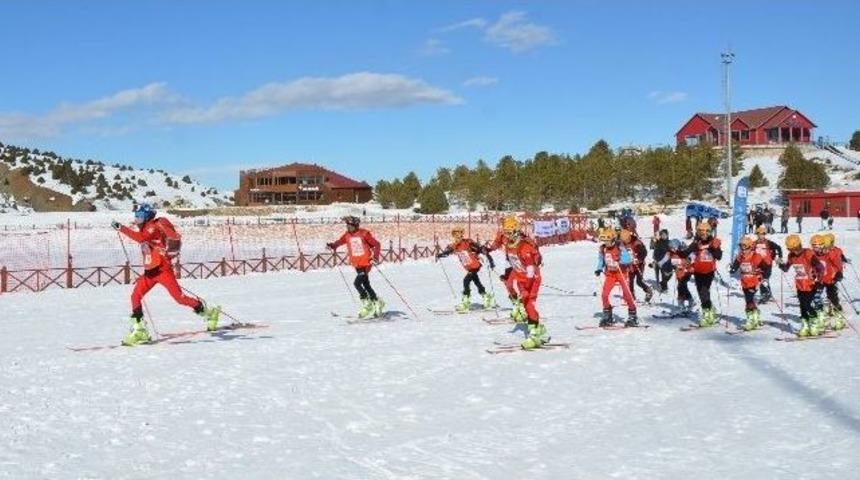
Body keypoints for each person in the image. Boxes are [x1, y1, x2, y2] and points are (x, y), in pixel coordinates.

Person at [113, 203, 220, 346]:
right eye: (136, 216)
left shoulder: (152, 227)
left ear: (147, 217)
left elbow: (140, 238)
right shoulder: (145, 228)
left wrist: (121, 228)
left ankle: (209, 313)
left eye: (139, 217)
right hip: (150, 273)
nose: (136, 220)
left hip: (163, 271)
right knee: (135, 296)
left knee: (180, 298)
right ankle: (139, 330)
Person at [490, 218, 546, 349]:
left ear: (516, 231)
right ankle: (539, 328)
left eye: (510, 232)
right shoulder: (510, 245)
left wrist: (527, 287)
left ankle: (534, 335)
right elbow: (512, 263)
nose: (507, 235)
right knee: (526, 306)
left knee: (529, 305)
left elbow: (531, 269)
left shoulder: (524, 246)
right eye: (506, 232)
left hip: (532, 279)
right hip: (521, 278)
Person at [327, 216, 384, 319]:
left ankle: (367, 305)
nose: (348, 227)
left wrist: (375, 257)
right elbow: (339, 242)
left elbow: (377, 244)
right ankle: (376, 302)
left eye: (350, 226)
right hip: (357, 264)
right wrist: (332, 245)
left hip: (366, 263)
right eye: (347, 225)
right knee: (366, 284)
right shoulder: (347, 235)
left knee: (357, 283)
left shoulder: (364, 233)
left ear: (356, 225)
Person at [436, 227, 496, 312]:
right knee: (476, 282)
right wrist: (441, 255)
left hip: (475, 265)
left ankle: (465, 302)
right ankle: (486, 296)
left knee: (466, 281)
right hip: (468, 267)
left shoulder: (467, 242)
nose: (458, 237)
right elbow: (448, 252)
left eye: (460, 235)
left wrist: (490, 260)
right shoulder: (453, 245)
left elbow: (480, 249)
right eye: (456, 235)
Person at [779, 235, 826, 337]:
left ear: (798, 246)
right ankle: (805, 325)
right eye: (790, 249)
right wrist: (781, 265)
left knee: (807, 305)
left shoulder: (808, 253)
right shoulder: (791, 256)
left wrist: (819, 281)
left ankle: (814, 323)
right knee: (802, 306)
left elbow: (821, 267)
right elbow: (786, 268)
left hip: (811, 284)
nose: (793, 251)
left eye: (794, 249)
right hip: (800, 284)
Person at [595, 228, 638, 327]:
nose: (606, 243)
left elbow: (627, 259)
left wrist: (619, 261)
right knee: (604, 295)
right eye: (604, 241)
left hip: (621, 273)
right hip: (610, 274)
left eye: (608, 241)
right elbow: (601, 260)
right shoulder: (603, 249)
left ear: (613, 239)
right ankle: (607, 314)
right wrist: (599, 269)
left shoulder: (620, 247)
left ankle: (632, 314)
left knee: (627, 294)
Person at [685, 222, 722, 327]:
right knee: (702, 293)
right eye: (701, 232)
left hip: (709, 271)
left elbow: (719, 256)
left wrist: (713, 249)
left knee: (704, 292)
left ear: (709, 232)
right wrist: (687, 259)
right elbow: (689, 252)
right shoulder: (696, 242)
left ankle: (708, 315)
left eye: (706, 232)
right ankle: (710, 309)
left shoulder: (713, 241)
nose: (704, 234)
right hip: (698, 271)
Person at [729, 236, 765, 331]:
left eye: (745, 247)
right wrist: (732, 269)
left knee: (749, 299)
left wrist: (761, 274)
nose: (743, 249)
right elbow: (735, 265)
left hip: (754, 281)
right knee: (749, 300)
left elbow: (764, 267)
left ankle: (750, 320)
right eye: (741, 247)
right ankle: (755, 313)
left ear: (750, 247)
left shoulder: (755, 256)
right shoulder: (740, 256)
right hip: (744, 281)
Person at [815, 234, 847, 331]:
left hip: (831, 279)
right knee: (816, 298)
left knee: (833, 298)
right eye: (824, 247)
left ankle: (839, 318)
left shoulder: (834, 252)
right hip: (820, 280)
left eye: (827, 247)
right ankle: (821, 319)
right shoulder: (815, 254)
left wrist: (839, 273)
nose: (826, 249)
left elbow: (838, 264)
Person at [656, 239, 695, 314]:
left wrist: (689, 261)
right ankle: (691, 300)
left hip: (687, 272)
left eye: (673, 248)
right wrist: (657, 264)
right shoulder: (670, 253)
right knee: (684, 287)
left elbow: (693, 256)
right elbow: (663, 260)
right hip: (679, 273)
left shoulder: (684, 251)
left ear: (677, 247)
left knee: (680, 287)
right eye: (670, 248)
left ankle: (681, 305)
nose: (672, 249)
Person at [621, 229, 653, 303]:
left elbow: (644, 252)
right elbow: (622, 254)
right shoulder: (622, 244)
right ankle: (631, 296)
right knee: (630, 281)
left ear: (629, 237)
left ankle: (648, 291)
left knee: (639, 281)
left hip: (639, 264)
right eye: (624, 240)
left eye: (626, 239)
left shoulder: (636, 242)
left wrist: (639, 259)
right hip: (630, 265)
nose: (625, 241)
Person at [752, 225, 782, 303]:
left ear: (764, 234)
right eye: (759, 234)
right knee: (761, 280)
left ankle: (765, 295)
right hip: (758, 265)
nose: (760, 236)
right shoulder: (754, 243)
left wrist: (779, 257)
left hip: (767, 264)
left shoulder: (769, 243)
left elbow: (778, 248)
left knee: (764, 280)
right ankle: (767, 295)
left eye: (762, 234)